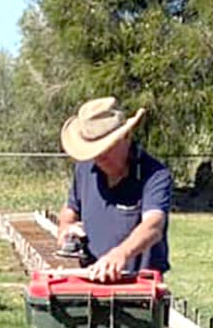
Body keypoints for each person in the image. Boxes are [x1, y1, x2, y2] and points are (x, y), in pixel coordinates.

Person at [57, 97, 172, 282]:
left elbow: (153, 226)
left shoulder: (154, 174)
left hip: (139, 284)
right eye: (94, 151)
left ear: (126, 136)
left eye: (106, 148)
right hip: (90, 277)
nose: (99, 157)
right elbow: (69, 211)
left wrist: (120, 254)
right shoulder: (84, 168)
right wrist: (65, 230)